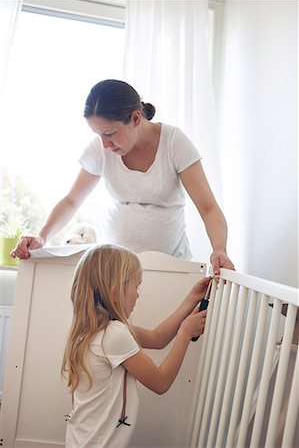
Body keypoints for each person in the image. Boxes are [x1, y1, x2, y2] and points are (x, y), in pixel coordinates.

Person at [11, 79, 234, 274]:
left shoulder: (174, 143)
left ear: (135, 118)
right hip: (115, 270)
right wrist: (42, 236)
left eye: (109, 134)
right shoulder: (101, 149)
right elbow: (72, 201)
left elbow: (208, 208)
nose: (104, 144)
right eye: (98, 135)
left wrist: (219, 249)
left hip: (169, 268)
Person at [61, 243, 209, 448]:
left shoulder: (94, 331)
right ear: (115, 293)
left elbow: (158, 338)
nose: (138, 294)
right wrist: (185, 334)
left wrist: (191, 299)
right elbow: (161, 382)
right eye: (136, 286)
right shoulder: (113, 335)